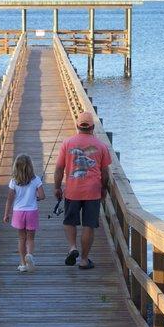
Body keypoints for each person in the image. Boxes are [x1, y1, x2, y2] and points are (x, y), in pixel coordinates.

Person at [54, 111, 111, 269]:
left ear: (77, 126)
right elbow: (105, 173)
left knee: (69, 221)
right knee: (89, 225)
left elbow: (59, 169)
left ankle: (72, 248)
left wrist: (57, 187)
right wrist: (104, 189)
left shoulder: (67, 143)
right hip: (93, 191)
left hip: (72, 189)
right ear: (92, 127)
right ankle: (84, 260)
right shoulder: (101, 146)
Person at [3, 154, 45, 272]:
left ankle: (22, 263)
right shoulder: (36, 179)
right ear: (30, 166)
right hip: (31, 212)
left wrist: (6, 214)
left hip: (18, 212)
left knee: (21, 238)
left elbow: (9, 199)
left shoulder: (13, 181)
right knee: (30, 238)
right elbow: (42, 196)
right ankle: (29, 256)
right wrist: (36, 196)